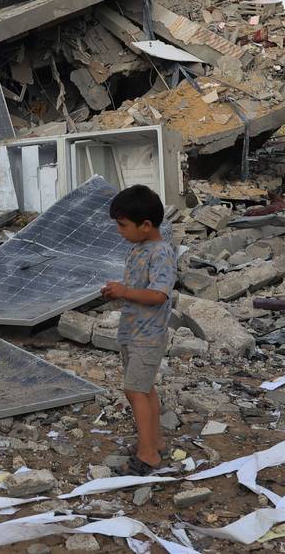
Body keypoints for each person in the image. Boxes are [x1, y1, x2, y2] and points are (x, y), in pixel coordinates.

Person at [101, 185, 176, 476]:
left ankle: (148, 456)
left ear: (145, 225)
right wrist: (119, 292)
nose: (119, 231)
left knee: (134, 390)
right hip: (133, 331)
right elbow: (138, 288)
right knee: (144, 388)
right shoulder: (138, 248)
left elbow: (159, 294)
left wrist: (125, 291)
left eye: (123, 225)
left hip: (149, 335)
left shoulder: (161, 253)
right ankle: (154, 441)